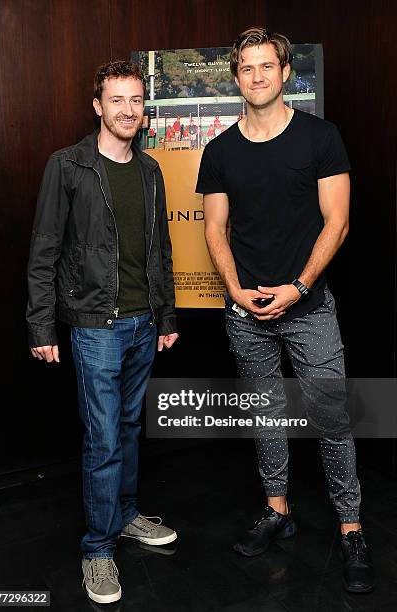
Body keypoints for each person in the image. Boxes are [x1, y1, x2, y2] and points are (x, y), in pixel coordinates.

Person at [196, 27, 375, 593]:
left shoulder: (320, 137)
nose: (256, 77)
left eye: (265, 67)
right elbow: (215, 230)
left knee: (332, 420)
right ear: (236, 77)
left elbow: (337, 223)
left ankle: (351, 529)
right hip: (246, 310)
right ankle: (278, 510)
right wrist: (236, 292)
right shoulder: (220, 150)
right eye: (245, 68)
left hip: (310, 306)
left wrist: (298, 288)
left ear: (285, 72)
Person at [27, 60, 179, 604]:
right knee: (104, 437)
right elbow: (44, 249)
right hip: (96, 326)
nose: (128, 110)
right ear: (98, 106)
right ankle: (97, 549)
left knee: (130, 428)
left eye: (136, 100)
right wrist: (40, 324)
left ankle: (127, 514)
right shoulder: (67, 166)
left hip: (143, 323)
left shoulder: (151, 171)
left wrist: (166, 316)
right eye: (116, 100)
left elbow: (159, 250)